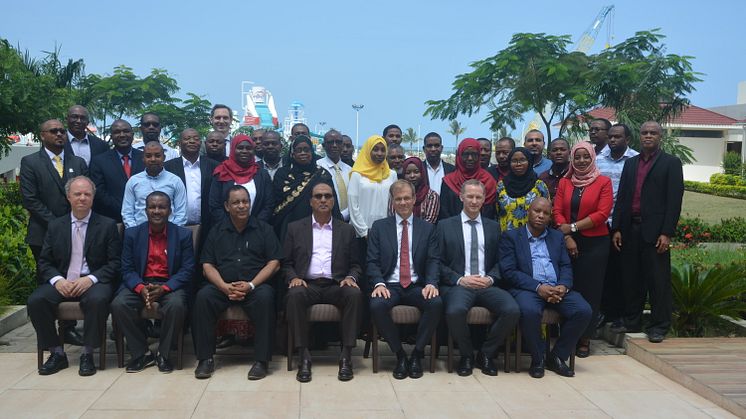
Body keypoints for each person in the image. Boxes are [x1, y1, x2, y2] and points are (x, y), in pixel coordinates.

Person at [27, 176, 121, 376]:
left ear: (93, 198)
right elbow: (44, 262)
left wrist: (90, 279)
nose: (82, 198)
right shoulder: (56, 226)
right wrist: (57, 280)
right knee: (36, 301)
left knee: (98, 299)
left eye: (87, 194)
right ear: (68, 197)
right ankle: (56, 353)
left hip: (93, 280)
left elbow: (115, 263)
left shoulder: (107, 225)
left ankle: (88, 354)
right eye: (77, 194)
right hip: (63, 280)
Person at [192, 185, 282, 380]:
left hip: (254, 286)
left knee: (266, 297)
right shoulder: (216, 231)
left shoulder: (264, 229)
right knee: (203, 297)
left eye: (245, 201)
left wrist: (251, 285)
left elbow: (274, 263)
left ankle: (261, 361)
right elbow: (207, 265)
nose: (242, 206)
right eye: (236, 202)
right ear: (226, 206)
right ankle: (205, 359)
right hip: (223, 285)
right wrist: (224, 286)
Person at [499, 198, 592, 378]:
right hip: (529, 289)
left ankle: (557, 356)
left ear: (550, 217)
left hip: (557, 288)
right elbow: (509, 272)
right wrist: (538, 287)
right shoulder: (511, 237)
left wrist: (563, 286)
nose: (541, 216)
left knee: (583, 310)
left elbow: (565, 266)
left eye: (546, 213)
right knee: (529, 311)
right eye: (537, 211)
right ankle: (538, 358)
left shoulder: (557, 237)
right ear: (528, 211)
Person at [437, 179, 520, 376]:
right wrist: (459, 279)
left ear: (484, 199)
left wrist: (491, 278)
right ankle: (466, 355)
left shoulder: (494, 227)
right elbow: (436, 262)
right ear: (461, 197)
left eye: (478, 197)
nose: (474, 201)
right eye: (470, 196)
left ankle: (486, 354)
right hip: (460, 284)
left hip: (486, 284)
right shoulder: (444, 226)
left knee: (512, 310)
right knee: (455, 311)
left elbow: (503, 261)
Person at [612, 121, 684, 343]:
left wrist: (667, 232)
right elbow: (622, 197)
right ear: (639, 137)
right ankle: (632, 320)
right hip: (630, 229)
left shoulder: (671, 163)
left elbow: (674, 201)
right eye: (644, 133)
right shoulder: (631, 163)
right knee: (631, 278)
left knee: (657, 281)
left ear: (660, 137)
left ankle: (659, 325)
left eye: (653, 133)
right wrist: (617, 228)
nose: (648, 136)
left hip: (655, 232)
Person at [283, 183, 363, 383]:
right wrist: (293, 277)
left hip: (336, 285)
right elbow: (286, 263)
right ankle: (303, 355)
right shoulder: (295, 228)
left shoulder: (346, 230)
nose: (323, 200)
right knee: (294, 295)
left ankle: (346, 355)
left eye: (328, 196)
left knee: (354, 294)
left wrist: (350, 277)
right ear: (310, 201)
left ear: (334, 201)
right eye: (318, 196)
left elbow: (356, 264)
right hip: (307, 285)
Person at [112, 192, 194, 373]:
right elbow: (126, 268)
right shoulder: (132, 234)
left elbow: (187, 269)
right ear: (145, 210)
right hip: (140, 283)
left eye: (162, 207)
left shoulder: (183, 235)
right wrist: (141, 288)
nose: (157, 211)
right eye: (152, 207)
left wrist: (164, 288)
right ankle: (142, 353)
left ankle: (163, 354)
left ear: (170, 210)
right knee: (119, 304)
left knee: (176, 305)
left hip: (169, 284)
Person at [368, 180, 442, 379]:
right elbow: (372, 261)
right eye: (398, 199)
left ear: (414, 199)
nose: (403, 203)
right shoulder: (379, 227)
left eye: (406, 198)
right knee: (376, 305)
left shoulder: (427, 229)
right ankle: (399, 354)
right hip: (389, 285)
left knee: (435, 303)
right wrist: (379, 283)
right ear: (392, 201)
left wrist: (431, 283)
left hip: (417, 284)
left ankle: (417, 353)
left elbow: (433, 259)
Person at [553, 142, 613, 357]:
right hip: (566, 242)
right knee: (567, 287)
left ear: (592, 158)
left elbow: (602, 214)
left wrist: (574, 227)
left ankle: (585, 339)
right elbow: (557, 211)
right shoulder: (565, 183)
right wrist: (568, 235)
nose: (581, 161)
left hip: (594, 244)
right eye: (577, 157)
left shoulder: (603, 182)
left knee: (590, 292)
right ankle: (566, 335)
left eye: (585, 157)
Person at [22, 119, 89, 264]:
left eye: (62, 131)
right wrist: (58, 225)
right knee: (48, 282)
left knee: (75, 279)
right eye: (53, 131)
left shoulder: (78, 163)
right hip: (43, 233)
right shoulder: (30, 162)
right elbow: (30, 199)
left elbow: (87, 195)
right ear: (42, 135)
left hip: (78, 233)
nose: (59, 134)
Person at [597, 124, 639, 329]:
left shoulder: (636, 160)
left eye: (618, 137)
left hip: (623, 224)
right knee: (603, 272)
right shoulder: (597, 160)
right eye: (611, 137)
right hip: (599, 224)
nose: (613, 140)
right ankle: (604, 311)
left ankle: (620, 314)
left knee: (624, 271)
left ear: (627, 139)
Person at [272, 135, 340, 241]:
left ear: (312, 152)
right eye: (299, 150)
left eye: (306, 150)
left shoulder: (322, 174)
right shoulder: (282, 174)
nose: (303, 153)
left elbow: (332, 204)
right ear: (292, 153)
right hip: (287, 228)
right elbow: (275, 205)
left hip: (318, 227)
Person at [209, 134, 275, 224]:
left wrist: (255, 225)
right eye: (240, 148)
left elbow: (269, 205)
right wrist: (232, 226)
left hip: (257, 229)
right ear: (233, 149)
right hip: (226, 230)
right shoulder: (221, 172)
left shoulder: (262, 174)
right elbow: (214, 205)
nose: (244, 151)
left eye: (248, 148)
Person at [122, 142, 187, 228]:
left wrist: (172, 233)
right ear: (143, 159)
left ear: (164, 157)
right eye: (148, 156)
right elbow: (127, 213)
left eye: (157, 155)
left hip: (169, 235)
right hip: (140, 234)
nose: (153, 159)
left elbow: (181, 214)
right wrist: (136, 233)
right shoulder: (133, 181)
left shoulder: (175, 181)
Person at [89, 120, 144, 223]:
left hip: (142, 219)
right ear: (112, 136)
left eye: (126, 131)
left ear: (132, 134)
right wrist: (125, 211)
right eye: (117, 132)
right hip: (112, 221)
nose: (122, 135)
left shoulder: (145, 158)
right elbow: (100, 193)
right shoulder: (99, 161)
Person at [164, 128, 220, 227]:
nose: (192, 141)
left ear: (201, 143)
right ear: (179, 143)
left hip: (207, 226)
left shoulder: (214, 166)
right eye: (187, 138)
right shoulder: (168, 167)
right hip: (177, 226)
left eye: (196, 138)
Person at [348, 135, 397, 240]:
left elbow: (394, 204)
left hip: (385, 233)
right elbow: (353, 206)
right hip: (360, 233)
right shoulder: (357, 174)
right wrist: (364, 232)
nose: (379, 153)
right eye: (375, 149)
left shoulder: (391, 175)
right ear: (368, 150)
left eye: (383, 150)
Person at [439, 138, 497, 220]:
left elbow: (490, 213)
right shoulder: (448, 181)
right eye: (466, 154)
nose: (470, 158)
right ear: (459, 155)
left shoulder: (488, 181)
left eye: (474, 154)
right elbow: (444, 211)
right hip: (452, 229)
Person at [495, 147, 550, 232]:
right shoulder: (501, 186)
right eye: (514, 161)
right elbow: (496, 213)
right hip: (506, 239)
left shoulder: (539, 186)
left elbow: (547, 213)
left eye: (522, 160)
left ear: (529, 162)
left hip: (533, 238)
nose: (518, 164)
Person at [317, 130, 352, 221]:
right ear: (324, 146)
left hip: (348, 222)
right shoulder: (317, 168)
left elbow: (353, 199)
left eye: (338, 142)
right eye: (330, 142)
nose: (335, 145)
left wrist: (343, 216)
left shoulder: (351, 171)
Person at [394, 157, 439, 224]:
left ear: (422, 173)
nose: (412, 176)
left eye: (416, 172)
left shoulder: (431, 196)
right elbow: (392, 218)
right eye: (408, 173)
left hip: (424, 233)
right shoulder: (396, 194)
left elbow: (428, 224)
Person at [422, 132, 455, 196]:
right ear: (424, 149)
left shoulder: (452, 170)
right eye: (429, 146)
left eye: (436, 145)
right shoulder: (419, 169)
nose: (433, 149)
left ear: (442, 148)